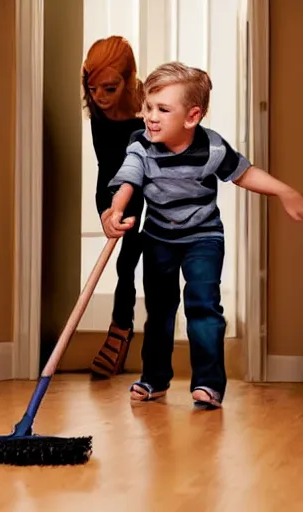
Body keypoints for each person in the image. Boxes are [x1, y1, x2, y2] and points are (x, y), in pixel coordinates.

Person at [103, 61, 303, 408]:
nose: (151, 116)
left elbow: (244, 174)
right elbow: (128, 179)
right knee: (160, 310)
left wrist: (286, 192)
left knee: (203, 308)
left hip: (203, 237)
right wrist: (115, 209)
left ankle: (208, 384)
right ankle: (155, 379)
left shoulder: (212, 148)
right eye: (148, 107)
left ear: (192, 117)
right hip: (159, 238)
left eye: (163, 109)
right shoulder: (141, 145)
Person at [81, 36, 145, 379]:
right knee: (124, 256)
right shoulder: (99, 115)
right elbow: (109, 166)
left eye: (109, 88)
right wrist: (110, 211)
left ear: (130, 78)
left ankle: (122, 326)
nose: (99, 98)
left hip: (152, 183)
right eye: (93, 89)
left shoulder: (149, 107)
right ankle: (122, 324)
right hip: (113, 187)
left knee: (137, 255)